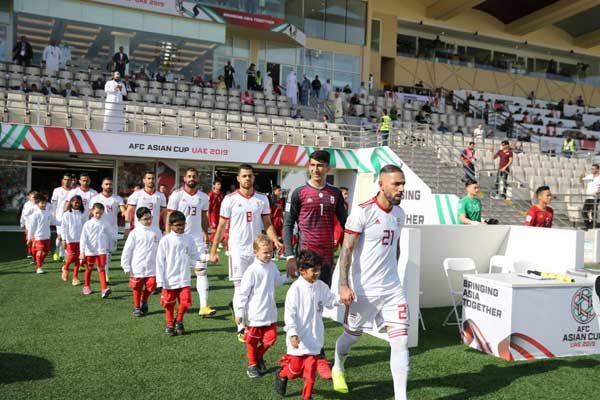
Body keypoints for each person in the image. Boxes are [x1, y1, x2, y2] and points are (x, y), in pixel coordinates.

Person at [332, 164, 409, 399]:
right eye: (396, 183)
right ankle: (338, 365)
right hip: (363, 290)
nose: (401, 188)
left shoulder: (399, 214)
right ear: (381, 184)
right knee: (351, 336)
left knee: (401, 342)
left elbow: (395, 247)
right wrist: (344, 285)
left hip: (392, 290)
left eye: (403, 184)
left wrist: (393, 275)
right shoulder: (362, 212)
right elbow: (346, 252)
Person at [283, 150, 347, 379]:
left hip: (326, 261)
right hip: (305, 261)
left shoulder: (335, 194)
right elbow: (288, 224)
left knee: (318, 310)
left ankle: (317, 354)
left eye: (321, 165)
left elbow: (347, 224)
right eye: (313, 165)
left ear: (328, 169)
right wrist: (290, 257)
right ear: (308, 167)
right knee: (302, 310)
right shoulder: (298, 192)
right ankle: (298, 353)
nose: (316, 169)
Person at [209, 164, 282, 340]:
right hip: (237, 249)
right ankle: (241, 327)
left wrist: (275, 239)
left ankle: (253, 320)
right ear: (238, 178)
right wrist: (213, 250)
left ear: (253, 178)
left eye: (250, 176)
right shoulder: (230, 199)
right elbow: (221, 226)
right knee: (240, 287)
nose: (247, 179)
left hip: (257, 250)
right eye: (244, 176)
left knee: (256, 287)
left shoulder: (262, 199)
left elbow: (268, 223)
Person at [275, 250, 340, 400]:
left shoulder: (321, 286)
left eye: (319, 269)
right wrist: (292, 333)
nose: (317, 273)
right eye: (314, 270)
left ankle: (307, 396)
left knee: (310, 373)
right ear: (302, 271)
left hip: (314, 338)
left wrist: (341, 300)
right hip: (298, 338)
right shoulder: (295, 290)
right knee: (295, 371)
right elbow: (289, 314)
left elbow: (330, 301)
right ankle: (282, 374)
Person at [235, 235, 288, 378]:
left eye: (271, 251)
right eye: (265, 252)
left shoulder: (272, 266)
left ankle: (258, 358)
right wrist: (239, 312)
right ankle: (252, 365)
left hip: (270, 313)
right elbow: (243, 294)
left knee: (271, 339)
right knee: (252, 341)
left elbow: (276, 281)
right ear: (255, 252)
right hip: (254, 315)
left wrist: (288, 276)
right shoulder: (252, 271)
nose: (269, 255)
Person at [166, 168, 216, 318]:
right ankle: (174, 305)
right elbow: (169, 216)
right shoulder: (177, 195)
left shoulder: (203, 197)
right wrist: (168, 236)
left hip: (196, 240)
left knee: (201, 271)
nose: (191, 178)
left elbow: (203, 217)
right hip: (179, 239)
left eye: (194, 176)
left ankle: (204, 306)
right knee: (177, 273)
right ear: (184, 178)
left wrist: (205, 232)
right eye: (189, 176)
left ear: (197, 178)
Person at [156, 211, 207, 336]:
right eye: (178, 225)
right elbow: (159, 261)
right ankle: (169, 325)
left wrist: (207, 258)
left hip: (184, 278)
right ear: (171, 225)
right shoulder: (165, 240)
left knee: (185, 302)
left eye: (183, 225)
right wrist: (160, 281)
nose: (181, 228)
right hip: (169, 279)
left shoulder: (188, 238)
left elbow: (194, 255)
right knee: (169, 304)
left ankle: (179, 321)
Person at [121, 207, 160, 317]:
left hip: (153, 266)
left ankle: (144, 300)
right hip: (138, 265)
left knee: (151, 286)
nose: (148, 221)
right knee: (137, 287)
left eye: (150, 218)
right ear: (139, 220)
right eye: (145, 219)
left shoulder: (156, 231)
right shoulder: (135, 233)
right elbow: (127, 249)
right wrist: (126, 265)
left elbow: (162, 248)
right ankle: (137, 307)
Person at [90, 177, 126, 282]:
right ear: (102, 185)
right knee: (103, 252)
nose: (108, 186)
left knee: (110, 252)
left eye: (110, 184)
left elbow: (123, 210)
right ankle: (104, 273)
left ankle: (105, 270)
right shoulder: (95, 199)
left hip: (113, 230)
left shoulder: (117, 198)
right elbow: (90, 214)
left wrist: (125, 213)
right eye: (106, 184)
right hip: (99, 230)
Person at [80, 202, 113, 298]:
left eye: (101, 213)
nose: (98, 215)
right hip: (90, 251)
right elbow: (83, 238)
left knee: (101, 268)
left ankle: (104, 289)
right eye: (97, 213)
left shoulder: (105, 223)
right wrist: (82, 252)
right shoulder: (88, 224)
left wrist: (110, 247)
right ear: (92, 211)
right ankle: (86, 286)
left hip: (102, 250)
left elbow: (110, 236)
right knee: (89, 268)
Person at [126, 171, 166, 236]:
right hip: (139, 230)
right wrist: (127, 228)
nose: (151, 180)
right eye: (149, 178)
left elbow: (165, 214)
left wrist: (167, 229)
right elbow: (129, 212)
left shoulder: (161, 196)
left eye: (153, 178)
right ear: (144, 180)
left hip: (155, 230)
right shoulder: (137, 194)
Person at [59, 195, 86, 285]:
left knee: (78, 259)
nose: (77, 204)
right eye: (75, 202)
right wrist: (64, 240)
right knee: (71, 257)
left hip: (80, 240)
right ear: (71, 202)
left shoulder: (82, 213)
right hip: (70, 240)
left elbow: (85, 227)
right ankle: (65, 268)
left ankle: (75, 278)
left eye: (78, 202)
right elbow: (64, 228)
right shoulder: (67, 214)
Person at [27, 195, 57, 274]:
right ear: (37, 204)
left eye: (45, 203)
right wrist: (29, 238)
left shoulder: (48, 213)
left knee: (46, 252)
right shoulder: (35, 215)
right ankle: (39, 268)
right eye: (42, 203)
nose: (44, 204)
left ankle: (38, 261)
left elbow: (54, 222)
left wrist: (64, 222)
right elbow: (32, 227)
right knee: (40, 251)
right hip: (38, 237)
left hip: (47, 236)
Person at [51, 173, 73, 262]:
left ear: (71, 181)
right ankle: (57, 251)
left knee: (67, 236)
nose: (67, 181)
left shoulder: (74, 191)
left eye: (69, 180)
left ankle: (64, 254)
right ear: (62, 180)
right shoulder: (57, 190)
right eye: (65, 179)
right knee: (60, 236)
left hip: (70, 217)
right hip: (59, 216)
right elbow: (54, 204)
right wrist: (53, 216)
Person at [581, 164, 600, 230]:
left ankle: (590, 226)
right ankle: (589, 226)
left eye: (594, 169)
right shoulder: (590, 176)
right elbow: (582, 179)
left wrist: (597, 192)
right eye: (592, 169)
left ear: (598, 169)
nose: (592, 170)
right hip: (588, 197)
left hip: (595, 198)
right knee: (584, 212)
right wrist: (582, 174)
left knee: (594, 213)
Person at [20, 190, 38, 259]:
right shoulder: (27, 204)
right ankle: (29, 251)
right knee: (29, 239)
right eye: (33, 197)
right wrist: (22, 223)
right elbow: (24, 214)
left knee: (35, 240)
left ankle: (34, 253)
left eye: (36, 197)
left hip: (36, 226)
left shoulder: (39, 204)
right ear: (29, 197)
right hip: (28, 226)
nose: (35, 199)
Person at [270, 185, 285, 258]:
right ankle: (272, 252)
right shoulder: (272, 200)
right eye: (279, 190)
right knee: (273, 237)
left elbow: (282, 211)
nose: (280, 192)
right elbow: (270, 212)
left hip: (280, 221)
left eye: (280, 190)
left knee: (283, 236)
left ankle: (280, 253)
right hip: (274, 221)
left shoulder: (282, 200)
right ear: (274, 191)